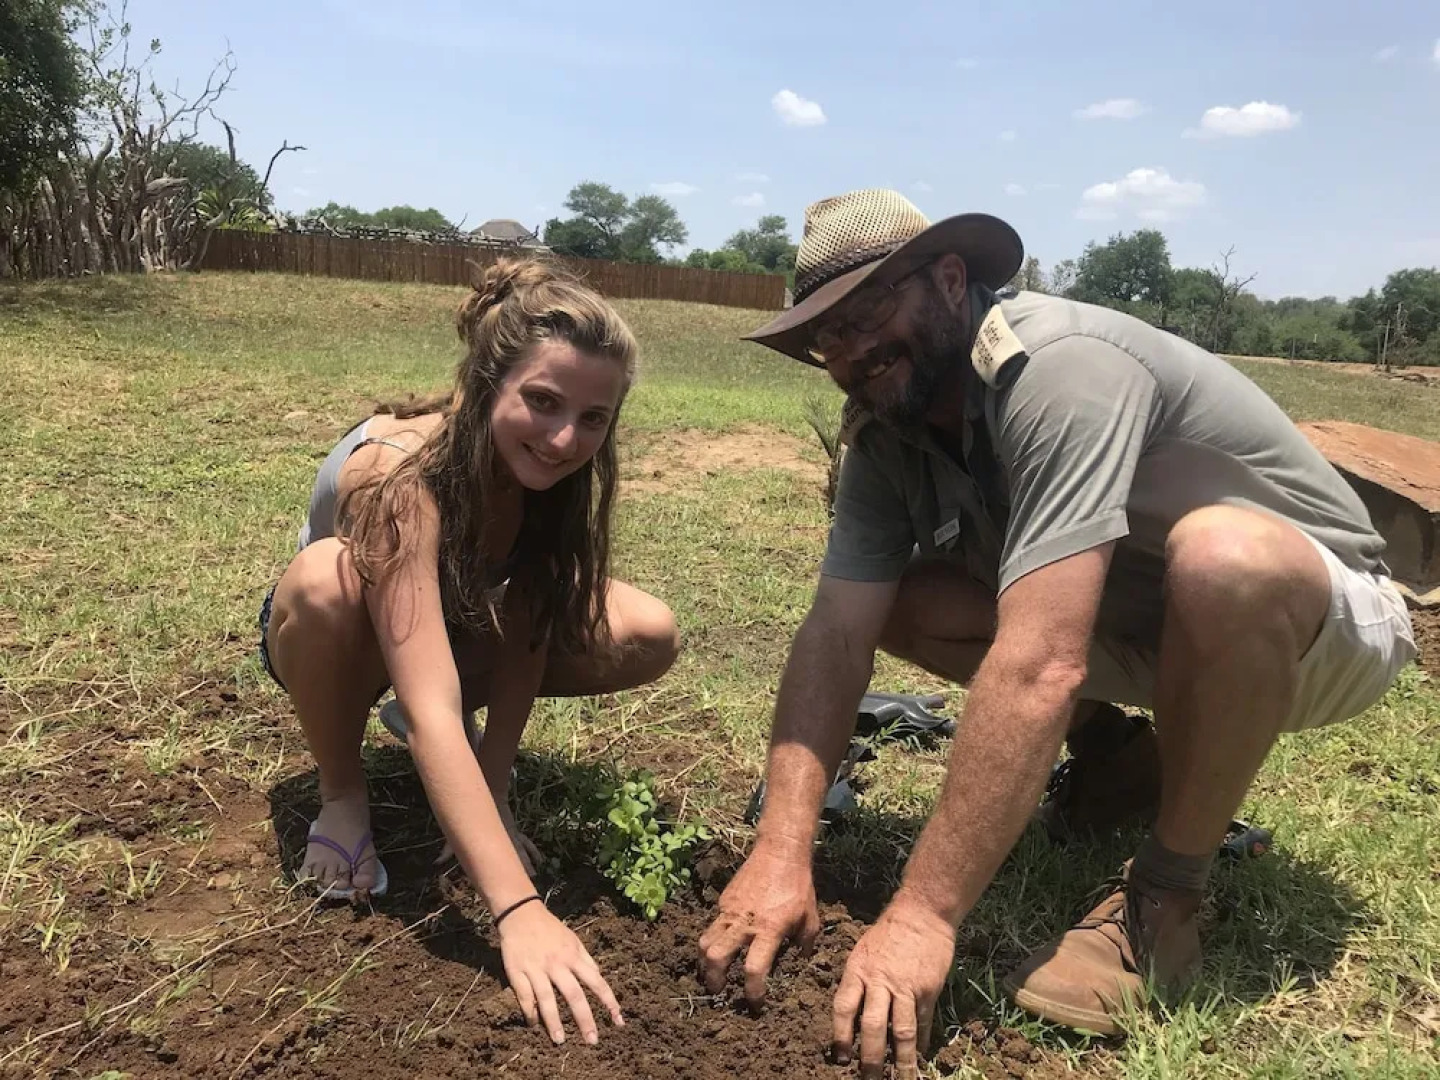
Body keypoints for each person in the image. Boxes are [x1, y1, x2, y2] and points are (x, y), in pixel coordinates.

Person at [697, 189, 1417, 1074]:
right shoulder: (888, 435)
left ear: (951, 280)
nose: (850, 351)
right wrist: (780, 851)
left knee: (1225, 557)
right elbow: (837, 632)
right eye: (827, 335)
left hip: (1318, 624)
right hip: (1154, 624)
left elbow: (1040, 663)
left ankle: (1165, 903)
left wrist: (921, 916)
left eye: (870, 311)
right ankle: (1121, 762)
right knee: (904, 599)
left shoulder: (1058, 369)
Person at [258, 256, 681, 1047]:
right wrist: (518, 908)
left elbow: (524, 628)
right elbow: (428, 707)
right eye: (544, 403)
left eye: (594, 419)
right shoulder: (397, 473)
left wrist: (492, 787)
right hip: (334, 638)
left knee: (647, 626)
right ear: (488, 384)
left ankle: (468, 781)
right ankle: (344, 791)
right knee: (324, 582)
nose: (564, 439)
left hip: (453, 623)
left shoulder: (548, 481)